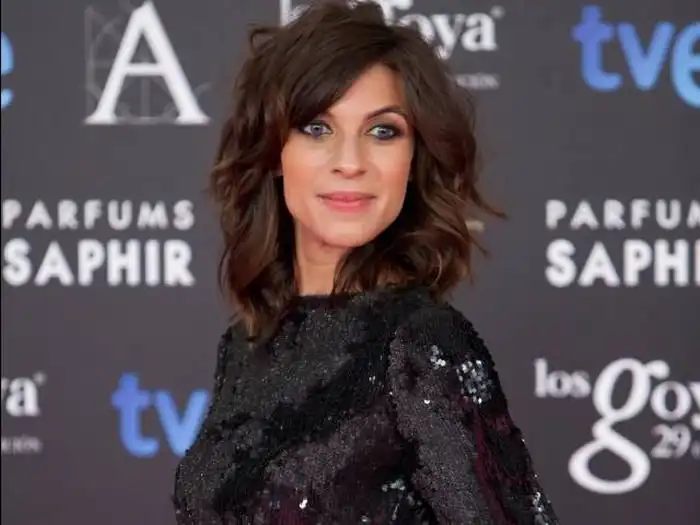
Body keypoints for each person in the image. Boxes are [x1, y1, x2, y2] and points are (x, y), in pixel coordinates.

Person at [172, 1, 559, 523]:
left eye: (383, 131)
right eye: (316, 128)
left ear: (413, 158)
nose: (350, 162)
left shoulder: (419, 343)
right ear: (273, 152)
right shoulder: (245, 345)